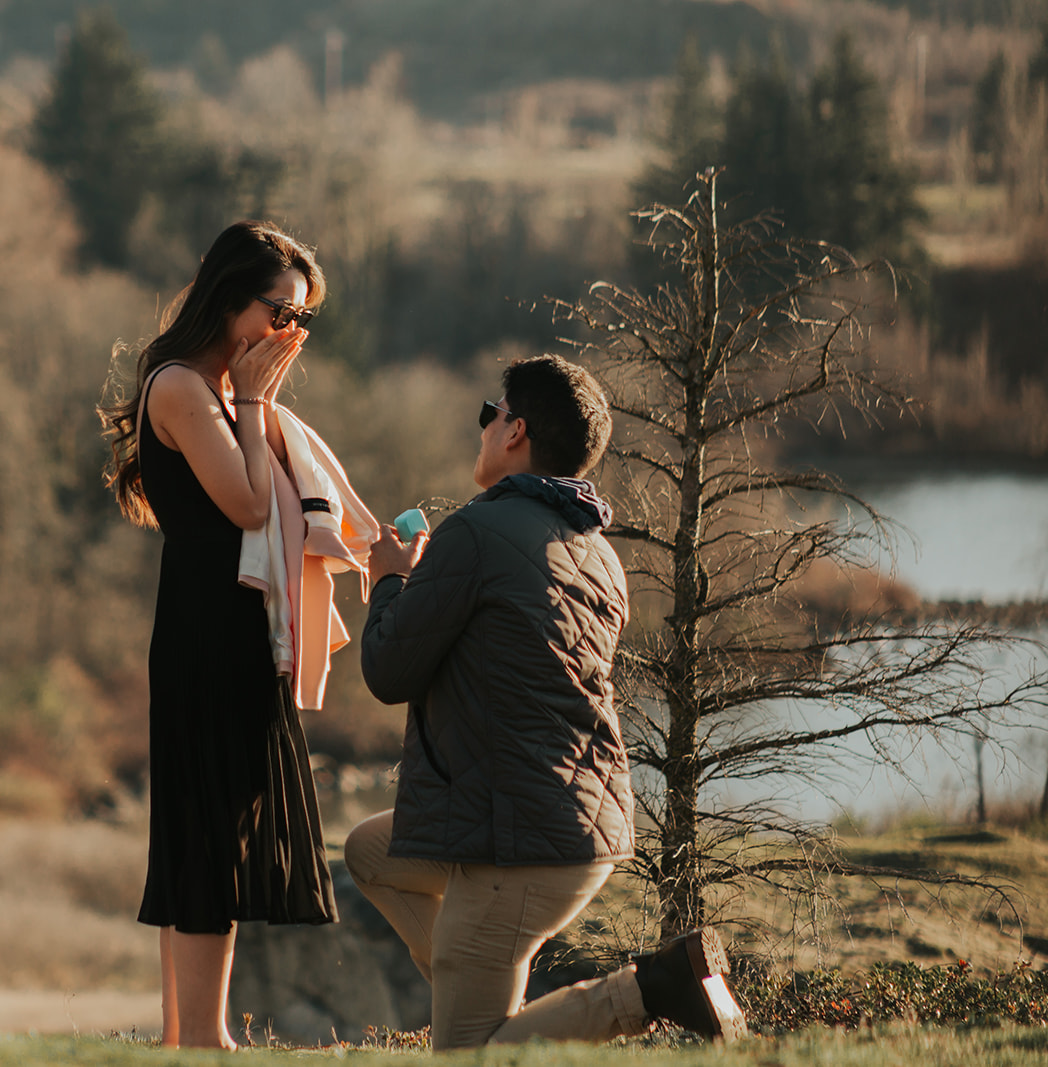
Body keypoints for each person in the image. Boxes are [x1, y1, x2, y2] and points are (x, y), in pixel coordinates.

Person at [345, 354, 748, 1050]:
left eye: (488, 415)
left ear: (516, 431)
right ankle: (471, 976)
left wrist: (388, 581)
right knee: (370, 850)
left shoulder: (475, 533)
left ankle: (653, 988)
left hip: (518, 841)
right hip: (577, 824)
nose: (481, 429)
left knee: (470, 1055)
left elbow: (388, 670)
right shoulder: (597, 554)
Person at [99, 221, 341, 1049]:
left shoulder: (220, 392)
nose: (289, 334)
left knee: (210, 829)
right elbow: (245, 506)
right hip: (209, 633)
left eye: (301, 320)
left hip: (227, 629)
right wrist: (255, 402)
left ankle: (186, 1035)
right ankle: (205, 1036)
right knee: (209, 834)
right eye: (280, 311)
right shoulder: (183, 390)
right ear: (228, 296)